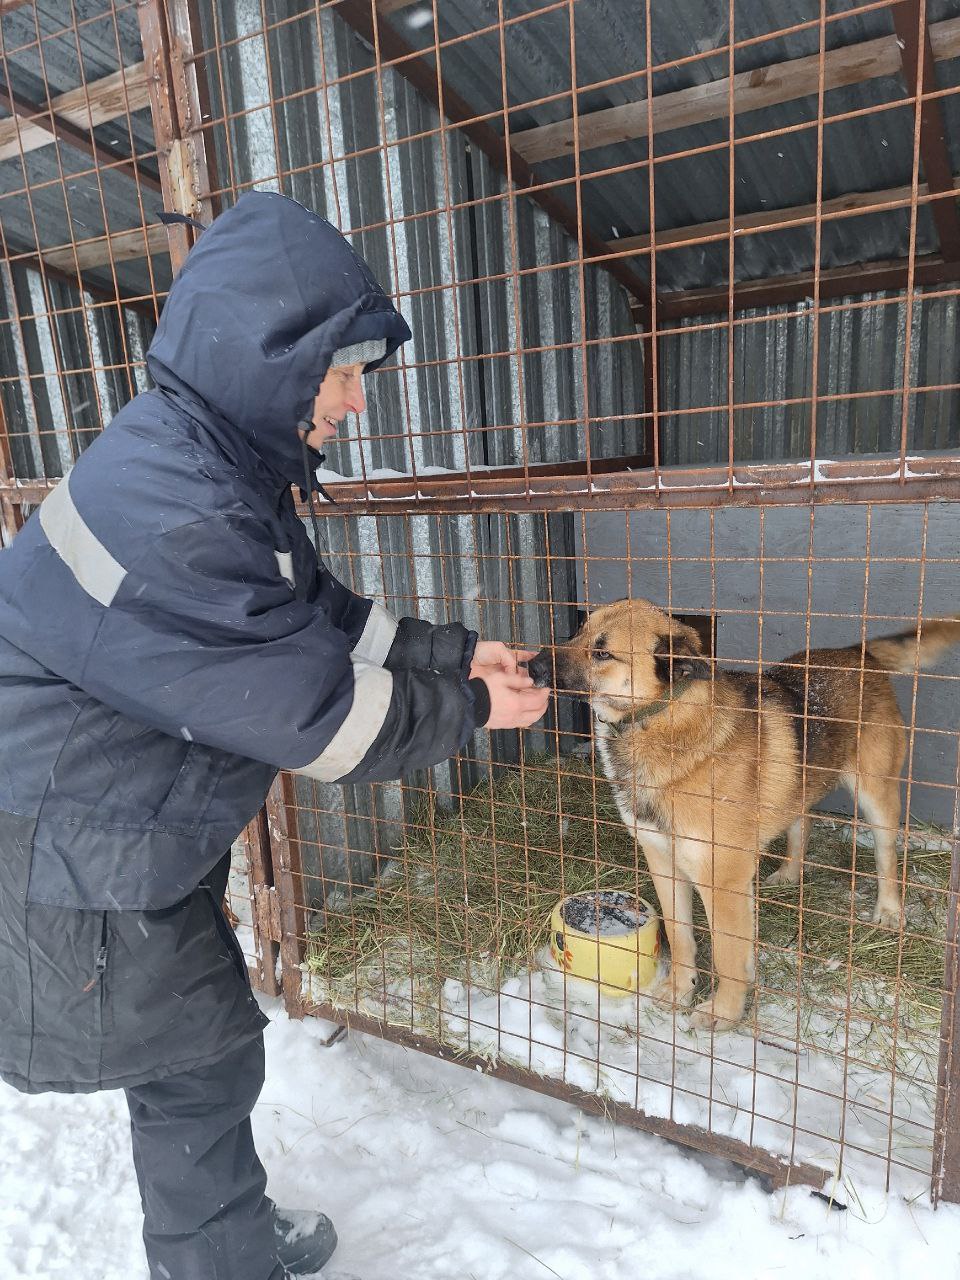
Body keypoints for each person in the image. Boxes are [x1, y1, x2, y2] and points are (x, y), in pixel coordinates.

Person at [0, 191, 549, 1280]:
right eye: (340, 371)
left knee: (195, 1061)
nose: (351, 400)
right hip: (74, 848)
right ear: (270, 354)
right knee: (200, 1064)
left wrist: (457, 652)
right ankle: (223, 1258)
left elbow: (319, 615)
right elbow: (321, 715)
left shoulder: (207, 466)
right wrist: (479, 709)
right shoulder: (183, 510)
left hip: (114, 822)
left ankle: (230, 1237)